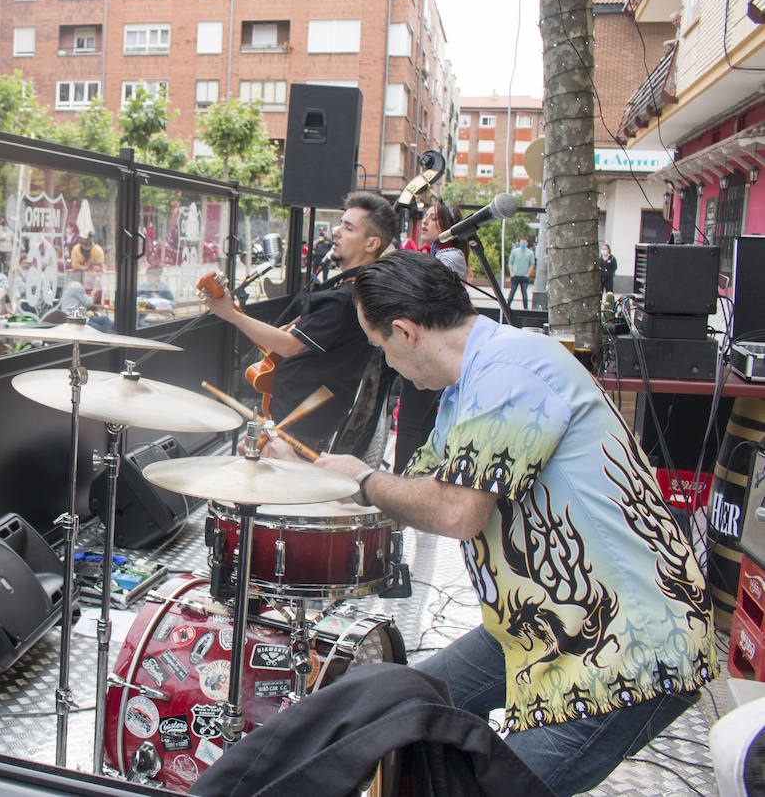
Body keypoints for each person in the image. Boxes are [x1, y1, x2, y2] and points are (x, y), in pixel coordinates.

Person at [305, 250, 714, 797]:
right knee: (401, 708)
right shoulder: (465, 386)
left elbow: (456, 513)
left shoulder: (512, 371)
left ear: (404, 332)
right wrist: (314, 480)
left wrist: (362, 478)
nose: (387, 364)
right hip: (541, 623)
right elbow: (412, 493)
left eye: (380, 349)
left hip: (624, 647)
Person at [205, 192, 396, 454]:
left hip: (301, 425)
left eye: (348, 228)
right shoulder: (350, 288)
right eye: (341, 223)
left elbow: (290, 346)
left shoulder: (345, 298)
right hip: (299, 417)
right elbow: (290, 340)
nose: (336, 232)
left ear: (372, 243)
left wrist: (231, 314)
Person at [395, 197, 471, 472]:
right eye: (424, 216)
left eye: (432, 217)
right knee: (419, 424)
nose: (424, 221)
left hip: (428, 352)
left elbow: (421, 299)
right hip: (426, 349)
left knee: (412, 424)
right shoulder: (437, 253)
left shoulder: (448, 257)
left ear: (449, 226)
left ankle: (402, 483)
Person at [508, 236, 535, 309]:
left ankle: (525, 307)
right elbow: (510, 262)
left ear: (527, 243)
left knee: (524, 293)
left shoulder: (530, 253)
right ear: (519, 243)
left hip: (524, 276)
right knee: (512, 291)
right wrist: (511, 273)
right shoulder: (515, 251)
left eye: (524, 243)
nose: (523, 244)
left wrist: (528, 274)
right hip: (516, 275)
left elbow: (531, 264)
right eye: (521, 242)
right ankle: (508, 305)